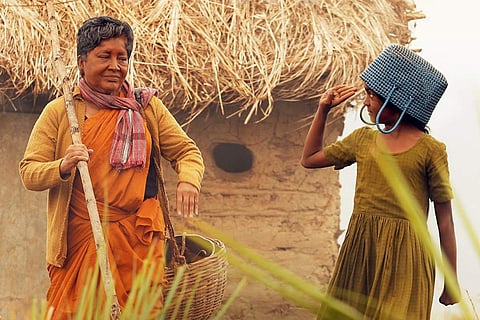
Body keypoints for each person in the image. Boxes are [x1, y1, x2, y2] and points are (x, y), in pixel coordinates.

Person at [19, 16, 204, 319]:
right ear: (82, 62)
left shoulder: (145, 106)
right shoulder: (61, 112)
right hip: (82, 239)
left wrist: (188, 180)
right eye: (104, 56)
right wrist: (63, 165)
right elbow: (29, 172)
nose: (115, 65)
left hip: (138, 243)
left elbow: (186, 151)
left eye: (122, 57)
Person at [301, 44, 459, 319]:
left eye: (370, 96)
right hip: (362, 252)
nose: (364, 102)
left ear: (395, 103)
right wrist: (323, 110)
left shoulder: (432, 151)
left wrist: (451, 282)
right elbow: (310, 158)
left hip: (406, 257)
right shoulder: (363, 139)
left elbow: (444, 220)